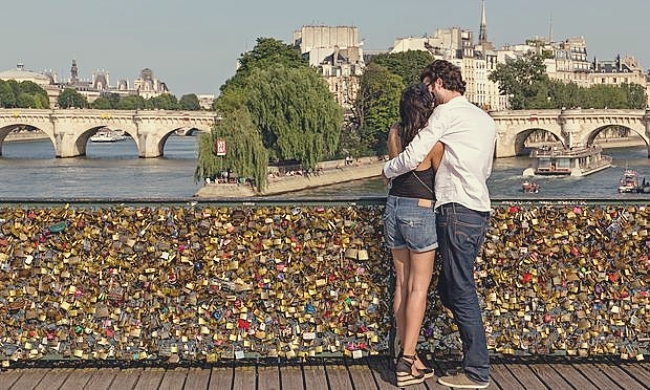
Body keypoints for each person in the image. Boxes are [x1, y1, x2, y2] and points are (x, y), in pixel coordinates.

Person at [383, 60, 496, 389]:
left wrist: (387, 171)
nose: (429, 94)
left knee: (457, 291)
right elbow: (486, 167)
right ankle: (417, 357)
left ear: (437, 82)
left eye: (430, 85)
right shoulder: (484, 119)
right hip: (477, 208)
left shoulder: (444, 116)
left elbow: (411, 156)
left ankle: (475, 370)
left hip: (452, 209)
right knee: (453, 287)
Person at [383, 83, 444, 387]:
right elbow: (442, 178)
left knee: (402, 285)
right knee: (419, 288)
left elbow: (394, 170)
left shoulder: (395, 132)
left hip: (393, 207)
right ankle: (406, 363)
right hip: (420, 211)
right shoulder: (432, 141)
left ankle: (411, 356)